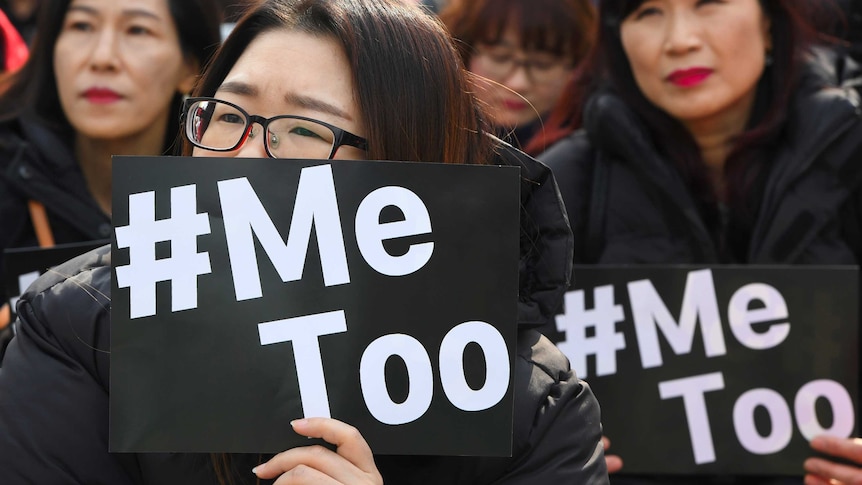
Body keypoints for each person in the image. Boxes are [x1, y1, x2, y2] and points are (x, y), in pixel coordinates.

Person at [0, 0, 609, 483]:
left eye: (303, 131)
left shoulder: (531, 406)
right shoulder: (81, 324)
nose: (239, 156)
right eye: (229, 116)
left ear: (406, 175)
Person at [536, 0, 862, 483]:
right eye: (647, 12)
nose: (679, 39)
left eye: (708, 3)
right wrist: (548, 447)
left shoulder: (850, 156)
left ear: (770, 23)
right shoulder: (559, 186)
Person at [0, 0, 221, 348]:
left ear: (191, 67)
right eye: (81, 26)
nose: (102, 57)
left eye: (137, 30)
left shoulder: (224, 203)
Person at [438, 0, 595, 155]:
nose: (518, 84)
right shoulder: (427, 136)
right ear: (461, 53)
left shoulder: (594, 156)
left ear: (578, 68)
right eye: (500, 57)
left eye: (542, 64)